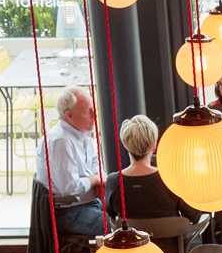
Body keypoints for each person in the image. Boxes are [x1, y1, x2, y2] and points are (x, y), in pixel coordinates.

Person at [35, 86, 103, 237]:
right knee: (120, 228)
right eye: (88, 111)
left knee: (129, 215)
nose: (95, 115)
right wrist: (95, 180)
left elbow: (94, 161)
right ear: (69, 115)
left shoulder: (82, 132)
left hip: (88, 203)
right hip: (69, 212)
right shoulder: (60, 141)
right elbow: (70, 188)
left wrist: (98, 180)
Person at [104, 115, 189, 220]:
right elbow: (192, 216)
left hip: (129, 232)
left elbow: (111, 215)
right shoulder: (171, 178)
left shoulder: (113, 181)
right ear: (154, 146)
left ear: (126, 145)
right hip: (172, 232)